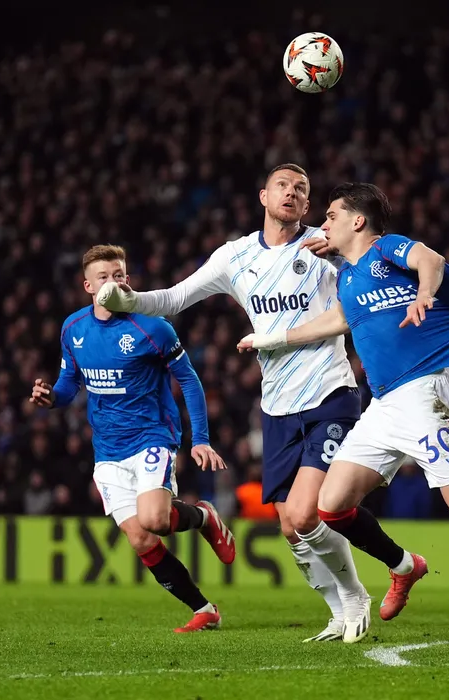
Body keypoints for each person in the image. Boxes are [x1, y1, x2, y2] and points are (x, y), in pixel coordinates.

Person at [238, 182, 449, 650]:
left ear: (358, 221)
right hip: (383, 405)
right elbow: (337, 321)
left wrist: (425, 292)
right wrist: (269, 340)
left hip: (423, 396)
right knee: (331, 506)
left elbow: (430, 260)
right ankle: (404, 566)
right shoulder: (348, 277)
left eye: (331, 215)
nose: (323, 224)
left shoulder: (384, 249)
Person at [97, 164, 364, 643]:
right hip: (277, 404)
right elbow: (174, 298)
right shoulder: (235, 256)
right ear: (263, 196)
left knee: (306, 514)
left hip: (330, 391)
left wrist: (348, 255)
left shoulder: (326, 245)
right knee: (289, 526)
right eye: (282, 185)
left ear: (308, 205)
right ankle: (337, 612)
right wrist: (129, 301)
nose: (291, 193)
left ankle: (356, 596)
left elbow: (367, 285)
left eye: (300, 189)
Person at [30, 244, 234, 634]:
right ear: (88, 286)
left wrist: (201, 439)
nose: (113, 282)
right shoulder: (73, 328)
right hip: (107, 449)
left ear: (128, 280)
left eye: (119, 275)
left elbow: (189, 380)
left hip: (152, 436)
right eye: (103, 277)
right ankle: (204, 609)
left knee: (155, 520)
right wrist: (52, 397)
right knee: (141, 539)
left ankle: (204, 517)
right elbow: (70, 382)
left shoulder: (152, 326)